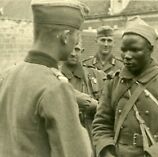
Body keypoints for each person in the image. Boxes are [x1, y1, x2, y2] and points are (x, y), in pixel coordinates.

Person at [92, 17, 158, 157]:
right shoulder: (114, 83)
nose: (127, 56)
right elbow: (101, 124)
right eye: (124, 50)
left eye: (135, 50)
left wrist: (154, 154)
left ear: (150, 50)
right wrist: (106, 150)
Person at [0, 0, 92, 157]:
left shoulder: (9, 75)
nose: (77, 42)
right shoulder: (56, 87)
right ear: (65, 36)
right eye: (77, 35)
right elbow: (77, 153)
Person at [61, 37, 105, 143]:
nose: (73, 53)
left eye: (76, 49)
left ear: (82, 51)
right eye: (69, 49)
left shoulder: (97, 76)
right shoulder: (54, 76)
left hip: (92, 135)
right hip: (65, 135)